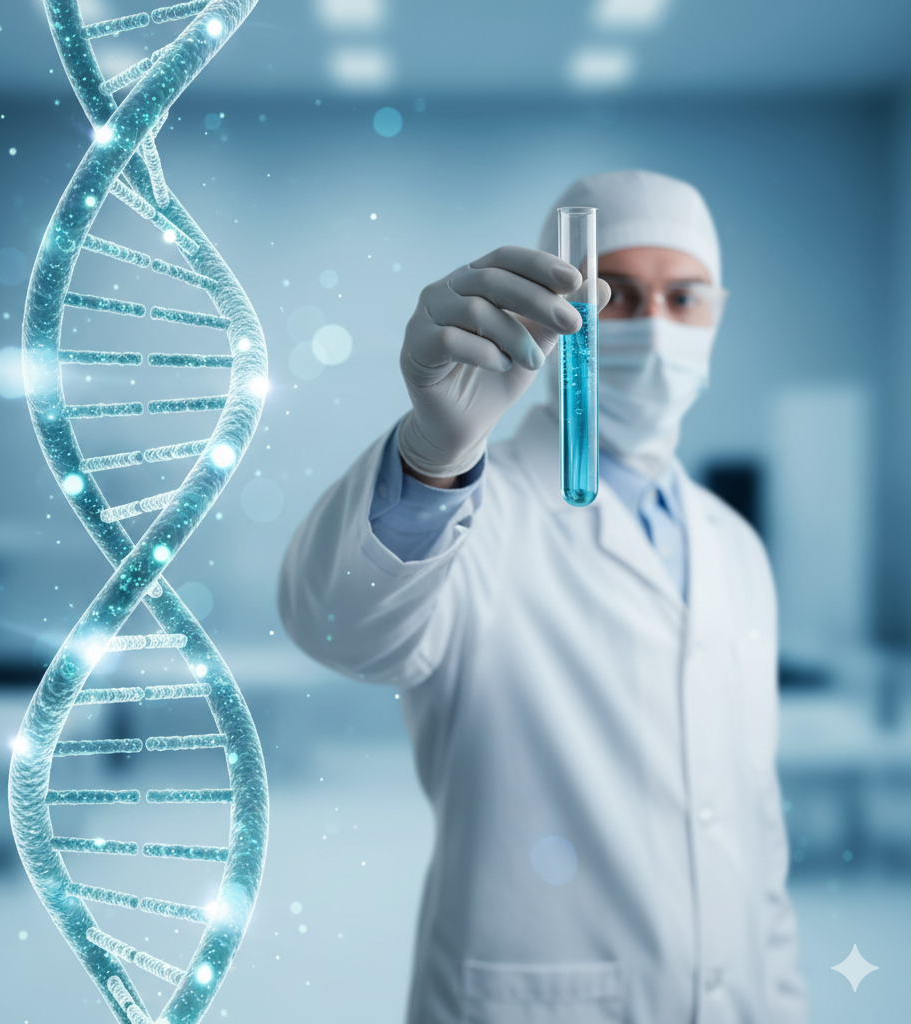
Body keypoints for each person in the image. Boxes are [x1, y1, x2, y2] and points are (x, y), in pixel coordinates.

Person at [278, 169, 806, 1024]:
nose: (658, 327)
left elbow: (751, 830)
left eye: (686, 297)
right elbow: (338, 627)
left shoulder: (734, 546)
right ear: (564, 311)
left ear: (718, 312)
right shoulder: (476, 505)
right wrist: (432, 453)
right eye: (619, 296)